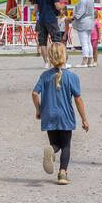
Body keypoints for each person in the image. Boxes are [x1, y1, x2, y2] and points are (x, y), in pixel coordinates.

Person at [32, 42, 88, 185]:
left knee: (55, 144)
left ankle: (51, 149)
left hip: (48, 114)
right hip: (65, 116)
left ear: (50, 57)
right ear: (66, 56)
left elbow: (34, 93)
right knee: (66, 145)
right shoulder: (72, 77)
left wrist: (38, 109)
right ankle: (63, 173)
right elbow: (78, 99)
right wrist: (84, 119)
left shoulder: (45, 76)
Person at [31, 0, 65, 64]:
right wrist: (62, 6)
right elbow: (57, 7)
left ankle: (46, 63)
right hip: (51, 20)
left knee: (42, 42)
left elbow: (35, 10)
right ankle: (57, 61)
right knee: (56, 41)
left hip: (41, 20)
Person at [70, 0, 96, 67]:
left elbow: (80, 11)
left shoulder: (82, 0)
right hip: (90, 22)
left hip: (83, 23)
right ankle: (90, 61)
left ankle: (84, 62)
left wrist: (73, 17)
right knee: (88, 42)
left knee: (84, 43)